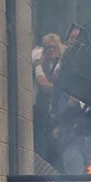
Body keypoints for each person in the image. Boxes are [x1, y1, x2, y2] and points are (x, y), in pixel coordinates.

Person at [34, 33, 63, 166]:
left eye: (53, 47)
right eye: (47, 48)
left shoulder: (63, 63)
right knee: (41, 151)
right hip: (41, 114)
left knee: (56, 153)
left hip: (58, 117)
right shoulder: (41, 63)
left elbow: (52, 88)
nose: (50, 50)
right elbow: (44, 85)